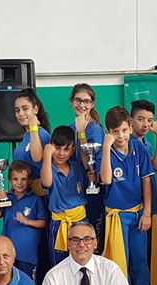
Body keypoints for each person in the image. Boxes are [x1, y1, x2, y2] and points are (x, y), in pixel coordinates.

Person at [98, 106, 157, 285]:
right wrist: (106, 149)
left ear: (130, 128)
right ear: (108, 133)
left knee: (140, 260)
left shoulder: (138, 147)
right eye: (115, 132)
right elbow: (106, 179)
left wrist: (146, 212)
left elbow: (146, 180)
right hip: (116, 216)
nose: (121, 136)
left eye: (124, 130)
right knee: (118, 263)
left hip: (138, 214)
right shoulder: (103, 152)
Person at [129, 99, 157, 285]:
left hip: (150, 205)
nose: (145, 124)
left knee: (147, 256)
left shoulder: (145, 143)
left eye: (150, 120)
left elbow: (155, 167)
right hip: (140, 208)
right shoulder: (132, 143)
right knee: (140, 258)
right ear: (130, 120)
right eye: (140, 119)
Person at [0, 160, 48, 279]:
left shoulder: (35, 199)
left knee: (27, 283)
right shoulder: (7, 197)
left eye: (24, 179)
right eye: (15, 179)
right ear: (10, 180)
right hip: (6, 254)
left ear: (30, 180)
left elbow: (44, 222)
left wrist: (27, 221)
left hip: (27, 254)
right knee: (7, 283)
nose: (19, 183)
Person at [41, 126, 88, 267]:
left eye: (66, 149)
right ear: (50, 147)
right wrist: (47, 156)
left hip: (81, 220)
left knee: (83, 260)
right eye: (57, 148)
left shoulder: (77, 167)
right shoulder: (48, 169)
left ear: (73, 150)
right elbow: (46, 181)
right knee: (59, 264)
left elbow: (88, 166)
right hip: (59, 223)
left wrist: (81, 134)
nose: (61, 153)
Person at [69, 83, 106, 247]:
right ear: (72, 101)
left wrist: (82, 133)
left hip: (93, 191)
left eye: (86, 101)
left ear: (92, 104)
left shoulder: (95, 129)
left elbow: (87, 164)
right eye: (78, 100)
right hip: (75, 191)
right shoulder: (71, 128)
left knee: (90, 238)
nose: (82, 105)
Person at [12, 89, 52, 196]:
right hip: (26, 194)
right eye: (17, 110)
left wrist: (33, 127)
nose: (21, 113)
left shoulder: (41, 134)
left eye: (25, 109)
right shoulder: (26, 137)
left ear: (35, 109)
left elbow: (37, 157)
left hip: (41, 196)